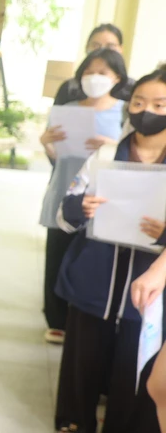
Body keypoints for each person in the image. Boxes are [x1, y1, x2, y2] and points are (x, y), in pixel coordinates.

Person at [52, 68, 166, 433]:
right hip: (95, 279)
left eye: (159, 104)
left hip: (145, 291)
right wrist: (81, 207)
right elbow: (65, 213)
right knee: (82, 362)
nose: (146, 110)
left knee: (134, 370)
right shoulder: (104, 153)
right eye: (138, 101)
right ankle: (73, 421)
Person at [39, 48, 128, 345]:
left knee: (85, 258)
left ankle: (82, 320)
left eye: (103, 72)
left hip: (100, 199)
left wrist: (109, 143)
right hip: (64, 189)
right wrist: (47, 143)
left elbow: (131, 156)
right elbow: (56, 156)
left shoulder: (126, 112)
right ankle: (56, 321)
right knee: (56, 256)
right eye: (89, 71)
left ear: (117, 76)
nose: (94, 78)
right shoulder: (68, 108)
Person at [54, 24, 134, 104]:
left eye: (110, 46)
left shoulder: (132, 88)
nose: (102, 51)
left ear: (121, 49)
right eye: (96, 45)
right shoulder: (70, 87)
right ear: (87, 48)